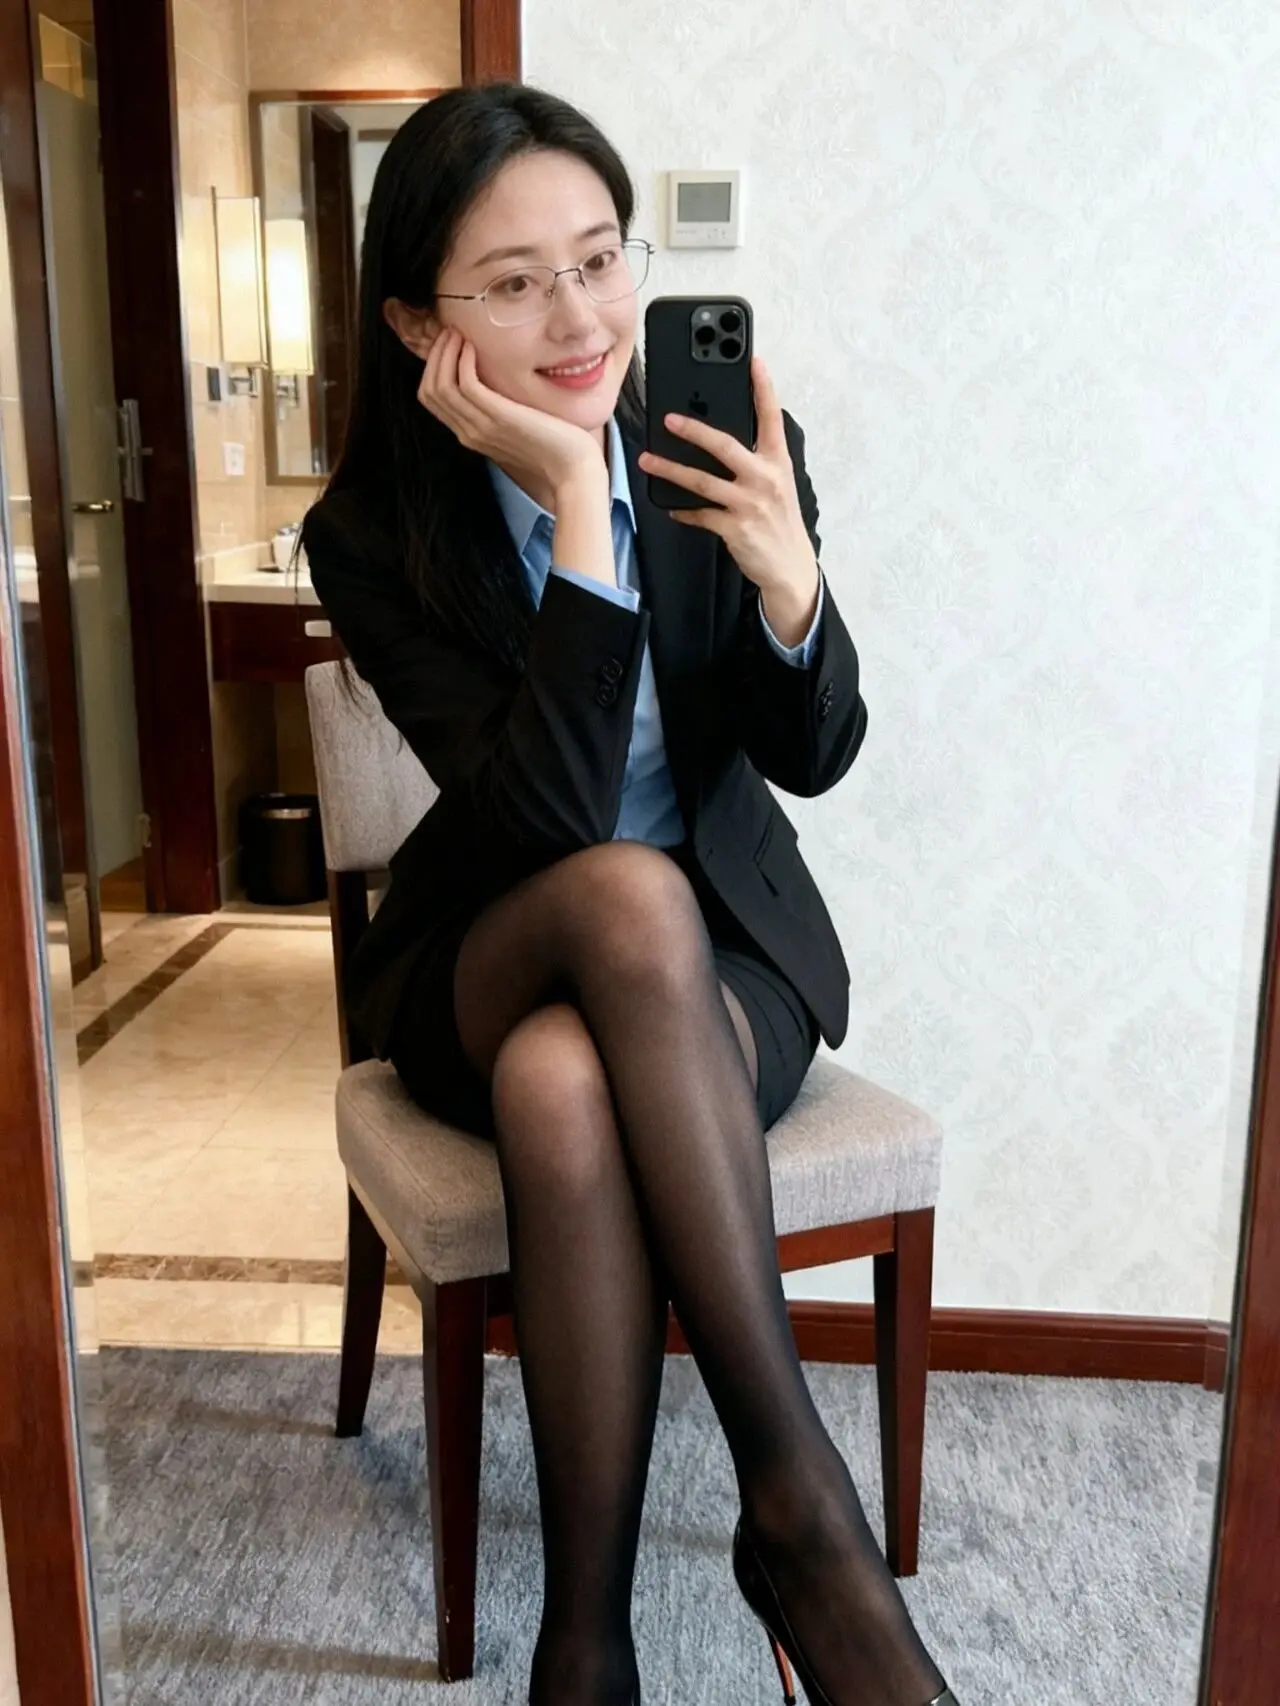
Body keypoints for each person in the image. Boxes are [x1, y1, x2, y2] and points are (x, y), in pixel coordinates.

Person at [301, 80, 958, 1706]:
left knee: (566, 1072)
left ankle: (583, 1642)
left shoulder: (725, 449)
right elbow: (544, 820)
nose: (583, 317)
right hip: (495, 946)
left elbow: (815, 754)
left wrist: (795, 594)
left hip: (726, 968)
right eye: (515, 282)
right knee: (612, 901)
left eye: (600, 259)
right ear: (418, 324)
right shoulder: (374, 536)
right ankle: (802, 1516)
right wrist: (585, 508)